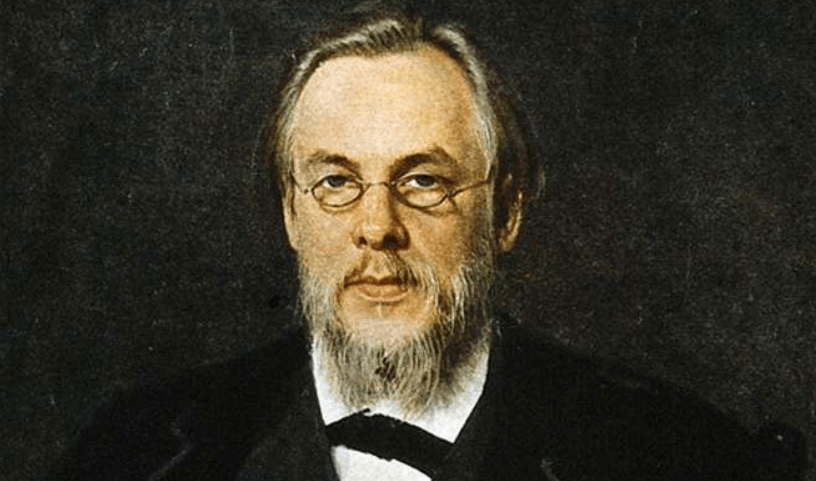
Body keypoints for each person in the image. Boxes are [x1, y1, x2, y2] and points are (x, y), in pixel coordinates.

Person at [52, 5, 806, 481]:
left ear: (505, 214)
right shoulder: (136, 449)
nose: (377, 225)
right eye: (336, 181)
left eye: (423, 181)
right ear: (291, 213)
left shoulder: (680, 454)